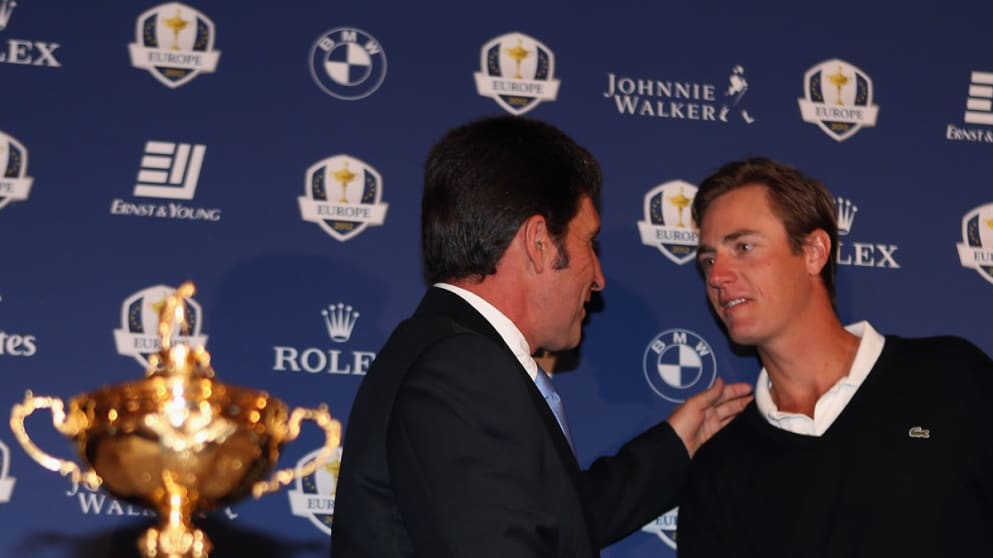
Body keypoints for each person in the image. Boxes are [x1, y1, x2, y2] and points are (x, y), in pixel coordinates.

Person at [330, 115, 752, 558]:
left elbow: (545, 522)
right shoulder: (462, 369)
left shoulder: (439, 351)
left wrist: (676, 445)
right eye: (590, 242)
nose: (599, 277)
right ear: (538, 243)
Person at [678, 157, 993, 557]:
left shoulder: (952, 379)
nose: (717, 276)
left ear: (814, 251)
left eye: (743, 247)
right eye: (708, 260)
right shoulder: (720, 469)